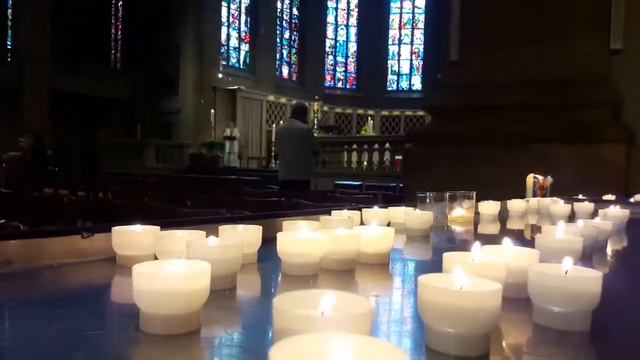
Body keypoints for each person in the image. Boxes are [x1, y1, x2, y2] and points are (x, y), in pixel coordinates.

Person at [275, 102, 317, 191]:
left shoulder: (280, 129)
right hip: (301, 176)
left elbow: (277, 152)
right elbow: (315, 150)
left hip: (284, 175)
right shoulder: (305, 129)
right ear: (304, 114)